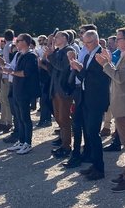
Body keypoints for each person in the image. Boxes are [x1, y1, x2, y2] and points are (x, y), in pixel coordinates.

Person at [97, 26, 125, 192]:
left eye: (118, 38)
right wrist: (110, 62)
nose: (115, 40)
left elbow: (120, 78)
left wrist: (106, 64)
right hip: (122, 103)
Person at [69, 30, 110, 181]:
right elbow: (84, 77)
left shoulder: (102, 54)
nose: (86, 45)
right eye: (84, 43)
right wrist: (78, 69)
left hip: (96, 99)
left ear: (97, 41)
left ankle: (100, 168)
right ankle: (94, 164)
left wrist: (81, 69)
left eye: (89, 42)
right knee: (89, 132)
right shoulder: (87, 55)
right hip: (86, 97)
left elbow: (102, 78)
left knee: (94, 133)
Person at [7, 33, 40, 155]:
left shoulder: (31, 56)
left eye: (19, 40)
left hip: (25, 91)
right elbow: (15, 70)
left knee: (25, 118)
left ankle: (27, 143)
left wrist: (12, 72)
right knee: (19, 117)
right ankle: (21, 140)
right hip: (17, 89)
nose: (16, 42)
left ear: (25, 42)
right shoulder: (20, 54)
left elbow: (26, 73)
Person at [44, 30, 74, 159]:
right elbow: (52, 70)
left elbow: (62, 67)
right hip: (55, 89)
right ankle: (63, 142)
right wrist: (47, 59)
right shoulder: (57, 51)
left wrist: (50, 56)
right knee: (58, 117)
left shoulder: (69, 50)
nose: (54, 39)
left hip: (64, 89)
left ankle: (66, 146)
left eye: (57, 37)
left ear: (65, 38)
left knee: (64, 118)